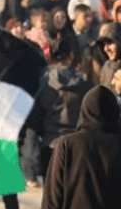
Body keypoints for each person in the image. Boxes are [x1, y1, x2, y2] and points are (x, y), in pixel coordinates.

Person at [33, 42, 92, 176]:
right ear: (71, 56)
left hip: (50, 145)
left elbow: (36, 118)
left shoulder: (43, 83)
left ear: (50, 56)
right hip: (78, 146)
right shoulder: (85, 82)